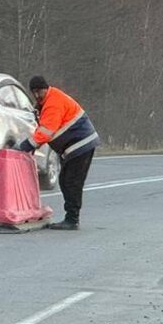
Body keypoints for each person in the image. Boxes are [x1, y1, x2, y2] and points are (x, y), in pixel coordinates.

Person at [17, 76, 99, 230]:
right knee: (65, 181)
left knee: (71, 182)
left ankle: (72, 220)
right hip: (74, 146)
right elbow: (43, 129)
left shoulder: (53, 103)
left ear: (46, 88)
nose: (36, 95)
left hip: (81, 144)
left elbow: (46, 131)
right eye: (34, 92)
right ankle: (71, 218)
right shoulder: (47, 102)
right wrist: (33, 145)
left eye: (39, 91)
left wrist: (27, 145)